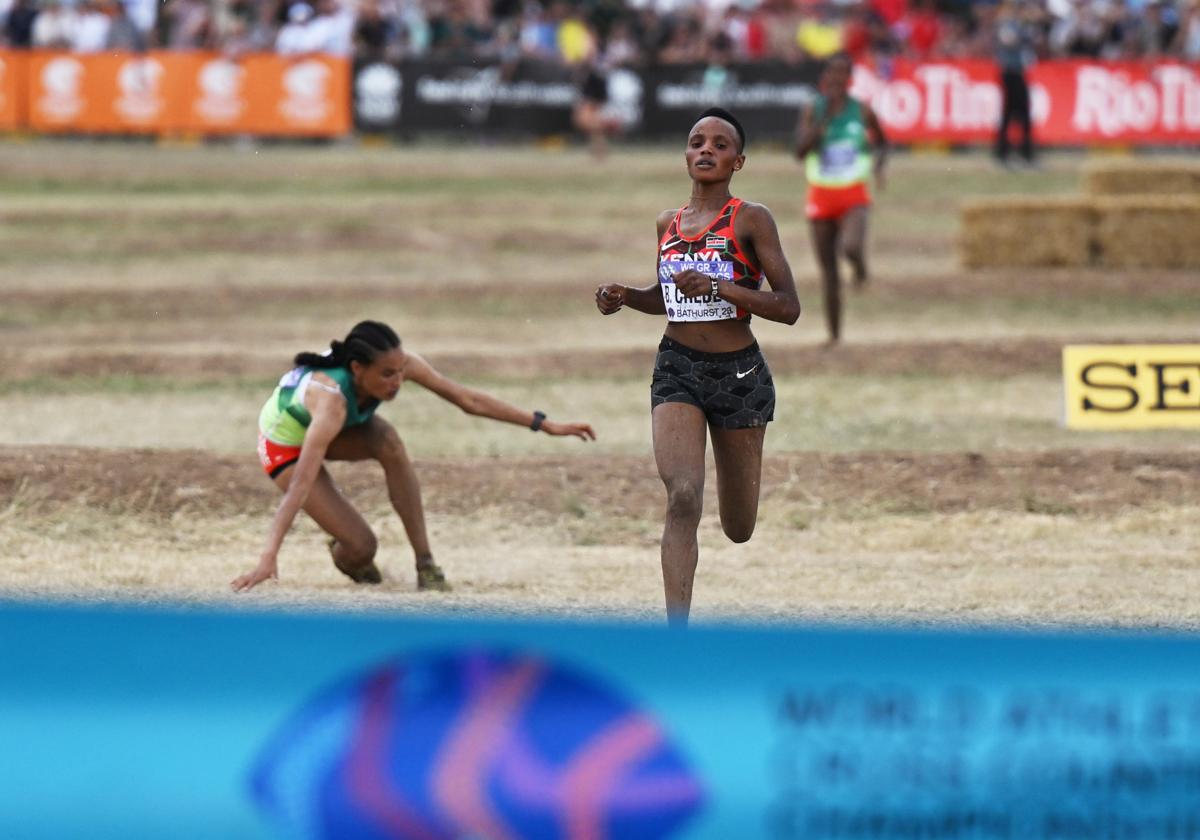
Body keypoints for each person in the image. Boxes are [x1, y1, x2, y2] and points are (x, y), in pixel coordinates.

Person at [594, 108, 800, 628]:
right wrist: (625, 296)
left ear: (739, 161)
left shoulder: (751, 219)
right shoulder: (668, 223)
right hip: (677, 366)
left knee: (738, 527)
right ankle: (677, 637)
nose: (706, 150)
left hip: (740, 376)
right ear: (685, 155)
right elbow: (668, 299)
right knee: (683, 496)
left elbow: (788, 306)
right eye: (696, 142)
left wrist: (720, 287)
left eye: (720, 144)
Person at [232, 321, 595, 593]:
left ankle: (426, 564)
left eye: (400, 372)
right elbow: (300, 484)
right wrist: (268, 556)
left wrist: (545, 425)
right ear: (358, 370)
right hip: (286, 445)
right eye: (387, 375)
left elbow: (468, 400)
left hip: (335, 429)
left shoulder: (398, 367)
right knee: (361, 549)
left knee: (389, 441)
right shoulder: (330, 402)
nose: (397, 382)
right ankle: (346, 550)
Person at [794, 52, 888, 345]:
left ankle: (860, 269)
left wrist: (879, 167)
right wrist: (817, 129)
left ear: (849, 79)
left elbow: (883, 143)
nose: (836, 79)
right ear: (825, 78)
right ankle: (834, 335)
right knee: (829, 273)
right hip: (821, 195)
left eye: (842, 73)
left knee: (850, 246)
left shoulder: (862, 111)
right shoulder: (813, 110)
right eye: (831, 73)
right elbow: (799, 152)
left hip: (853, 193)